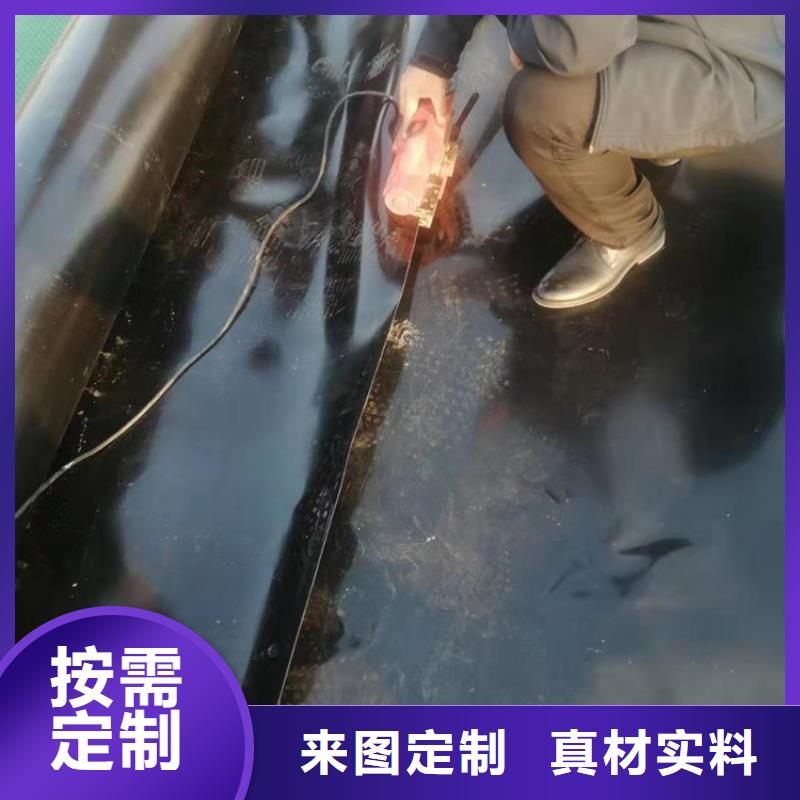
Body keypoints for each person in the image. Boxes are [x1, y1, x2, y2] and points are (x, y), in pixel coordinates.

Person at [399, 15, 785, 309]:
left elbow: (574, 44)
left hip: (746, 66)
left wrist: (527, 37)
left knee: (540, 105)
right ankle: (649, 130)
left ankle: (629, 232)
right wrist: (433, 58)